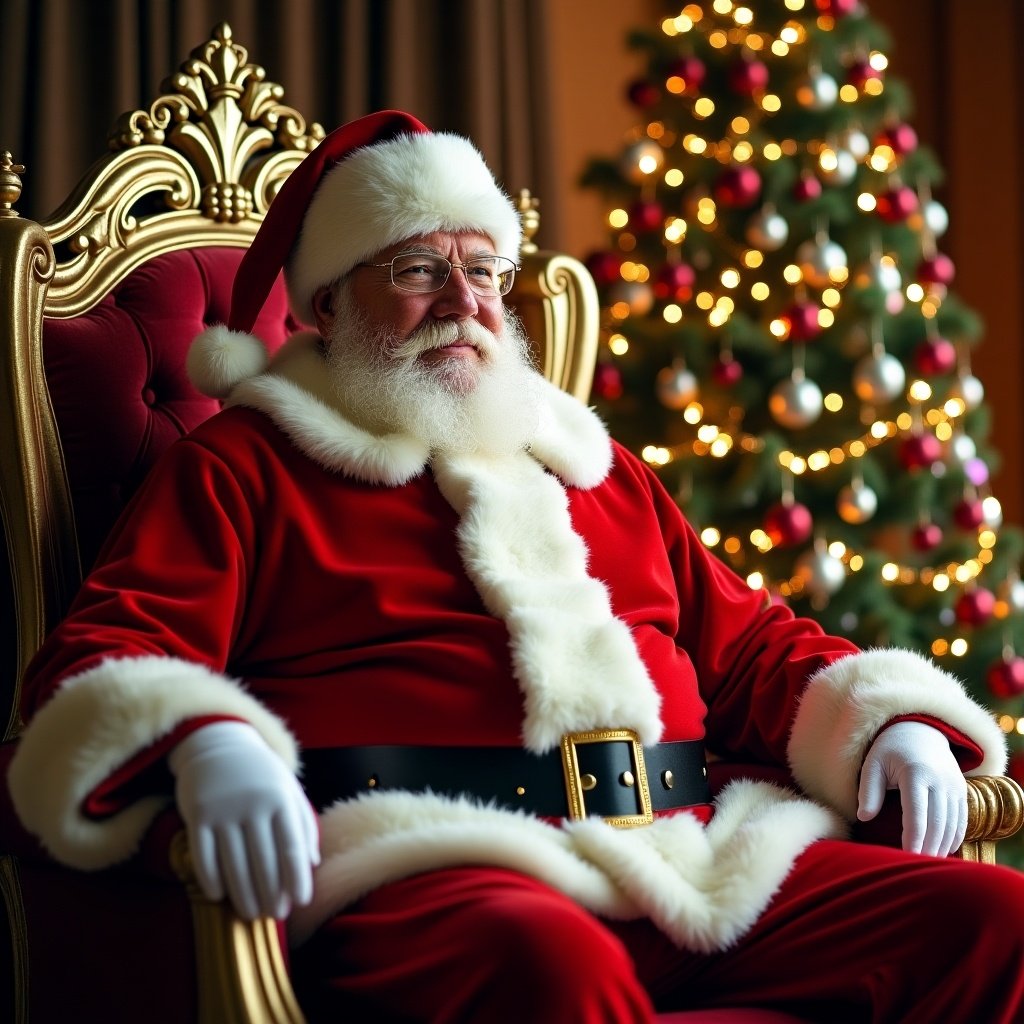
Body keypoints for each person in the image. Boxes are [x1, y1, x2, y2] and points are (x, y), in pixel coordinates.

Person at [8, 110, 1024, 1023]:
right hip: (441, 865)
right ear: (325, 304)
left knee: (992, 917)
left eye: (485, 268)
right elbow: (110, 649)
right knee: (548, 965)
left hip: (690, 852)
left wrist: (887, 719)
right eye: (415, 269)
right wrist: (203, 740)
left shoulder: (591, 462)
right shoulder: (244, 467)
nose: (465, 301)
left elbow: (748, 643)